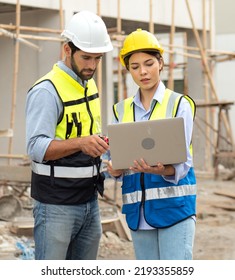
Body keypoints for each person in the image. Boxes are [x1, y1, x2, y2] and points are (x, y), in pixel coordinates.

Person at [25, 10, 113, 260]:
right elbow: (35, 147)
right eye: (86, 57)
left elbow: (87, 134)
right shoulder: (46, 91)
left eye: (97, 58)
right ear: (67, 49)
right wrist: (81, 144)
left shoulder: (89, 83)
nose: (92, 65)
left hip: (89, 201)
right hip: (55, 206)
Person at [106, 28, 197, 260]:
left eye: (148, 64)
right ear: (128, 70)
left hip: (175, 211)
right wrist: (114, 169)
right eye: (135, 67)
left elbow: (184, 161)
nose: (143, 72)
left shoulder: (179, 105)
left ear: (161, 63)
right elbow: (117, 160)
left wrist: (162, 169)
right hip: (138, 214)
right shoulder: (120, 110)